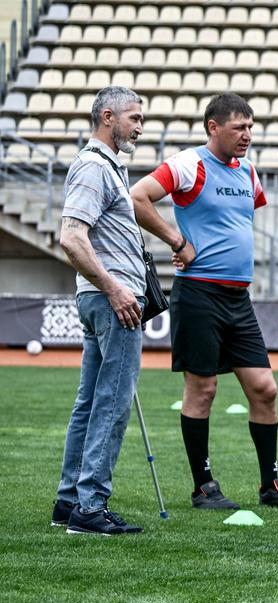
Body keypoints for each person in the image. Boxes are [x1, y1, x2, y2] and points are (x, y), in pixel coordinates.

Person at [131, 93, 278, 510]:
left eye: (250, 127)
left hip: (238, 298)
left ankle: (271, 486)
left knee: (264, 389)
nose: (247, 135)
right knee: (202, 389)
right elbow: (137, 197)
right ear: (214, 127)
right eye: (238, 128)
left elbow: (240, 220)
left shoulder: (248, 171)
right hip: (198, 294)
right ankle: (203, 486)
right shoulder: (187, 164)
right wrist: (177, 240)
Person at [52, 86, 149, 534]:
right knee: (110, 402)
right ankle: (90, 507)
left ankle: (69, 502)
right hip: (114, 301)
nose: (139, 126)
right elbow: (71, 236)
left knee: (90, 402)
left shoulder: (106, 166)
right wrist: (115, 289)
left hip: (104, 299)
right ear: (107, 117)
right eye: (133, 117)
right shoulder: (94, 166)